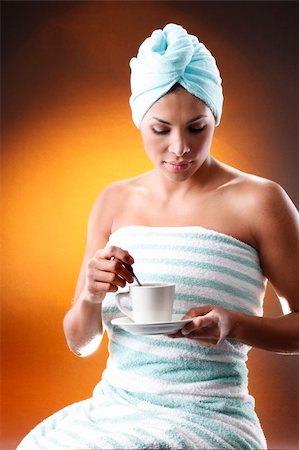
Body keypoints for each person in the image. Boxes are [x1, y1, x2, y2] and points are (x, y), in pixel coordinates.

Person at [17, 23, 298, 450]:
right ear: (139, 120)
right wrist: (92, 297)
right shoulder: (114, 201)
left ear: (215, 116)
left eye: (197, 127)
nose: (180, 148)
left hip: (211, 418)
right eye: (161, 129)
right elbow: (80, 342)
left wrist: (235, 324)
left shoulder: (260, 202)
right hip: (115, 411)